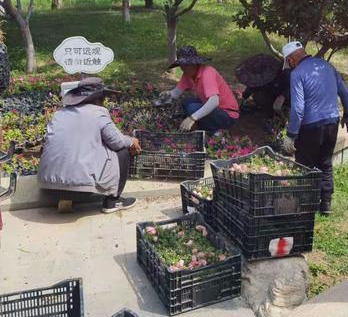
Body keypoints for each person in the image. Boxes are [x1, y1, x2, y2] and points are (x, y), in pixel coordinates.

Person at [38, 77, 142, 214]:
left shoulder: (59, 114)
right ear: (98, 99)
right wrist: (132, 141)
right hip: (81, 190)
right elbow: (117, 142)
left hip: (48, 189)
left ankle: (65, 199)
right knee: (122, 150)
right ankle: (113, 201)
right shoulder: (98, 113)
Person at [281, 41, 348, 215]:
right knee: (325, 162)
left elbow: (298, 109)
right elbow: (343, 91)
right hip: (332, 121)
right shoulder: (326, 66)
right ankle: (326, 203)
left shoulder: (297, 73)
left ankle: (305, 205)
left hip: (310, 126)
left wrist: (291, 135)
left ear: (291, 60)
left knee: (305, 166)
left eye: (288, 63)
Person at [157, 46, 239, 134]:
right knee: (186, 102)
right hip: (214, 110)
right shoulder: (187, 74)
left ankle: (215, 132)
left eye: (187, 64)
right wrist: (167, 94)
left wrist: (192, 118)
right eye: (182, 65)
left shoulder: (207, 73)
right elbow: (176, 92)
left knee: (193, 108)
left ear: (194, 63)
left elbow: (214, 101)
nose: (183, 68)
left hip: (227, 115)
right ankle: (202, 124)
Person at [235, 53, 291, 118]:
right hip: (270, 93)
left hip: (285, 100)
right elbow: (254, 86)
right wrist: (243, 97)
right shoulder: (261, 76)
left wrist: (283, 96)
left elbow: (295, 88)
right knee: (258, 97)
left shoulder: (286, 73)